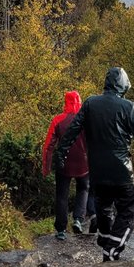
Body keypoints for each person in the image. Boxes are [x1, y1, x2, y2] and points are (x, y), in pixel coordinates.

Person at [56, 67, 134, 262]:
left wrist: (61, 154)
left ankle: (105, 238)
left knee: (104, 207)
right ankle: (112, 249)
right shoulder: (128, 107)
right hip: (121, 172)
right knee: (128, 209)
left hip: (98, 173)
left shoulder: (91, 103)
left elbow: (73, 130)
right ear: (124, 85)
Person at [41, 90, 95, 241]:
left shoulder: (58, 120)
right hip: (84, 164)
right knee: (83, 189)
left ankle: (61, 230)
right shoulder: (87, 120)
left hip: (64, 163)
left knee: (62, 195)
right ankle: (78, 219)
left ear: (66, 102)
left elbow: (48, 145)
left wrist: (46, 167)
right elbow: (94, 141)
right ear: (80, 101)